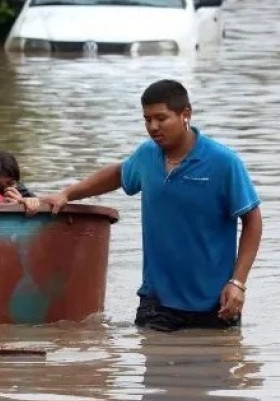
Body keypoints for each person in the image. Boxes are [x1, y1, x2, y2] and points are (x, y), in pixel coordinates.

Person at [46, 79, 262, 331]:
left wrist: (237, 283)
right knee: (155, 365)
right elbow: (119, 173)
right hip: (156, 301)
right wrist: (67, 194)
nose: (153, 126)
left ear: (186, 114)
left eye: (161, 118)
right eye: (147, 119)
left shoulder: (223, 162)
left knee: (217, 367)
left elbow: (252, 221)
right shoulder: (147, 155)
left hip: (216, 303)